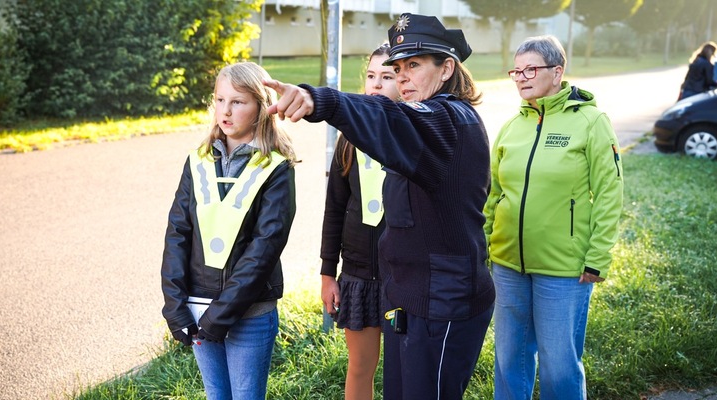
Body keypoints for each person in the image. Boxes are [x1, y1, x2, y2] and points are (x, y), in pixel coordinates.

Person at [265, 13, 495, 400]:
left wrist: (319, 99)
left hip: (442, 304)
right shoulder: (425, 121)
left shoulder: (449, 119)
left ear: (447, 68)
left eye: (414, 65)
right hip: (405, 297)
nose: (401, 76)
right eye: (398, 67)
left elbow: (389, 117)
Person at [483, 35, 624, 400]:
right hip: (508, 265)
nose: (521, 77)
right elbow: (494, 194)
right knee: (509, 359)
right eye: (516, 70)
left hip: (564, 269)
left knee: (559, 363)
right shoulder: (513, 127)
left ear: (557, 71)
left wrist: (597, 256)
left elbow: (610, 194)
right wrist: (484, 244)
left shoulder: (591, 122)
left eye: (531, 69)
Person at [160, 62, 297, 400]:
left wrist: (220, 316)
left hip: (249, 314)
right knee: (216, 395)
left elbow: (264, 249)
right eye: (220, 100)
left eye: (238, 102)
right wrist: (174, 304)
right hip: (198, 307)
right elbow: (177, 233)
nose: (226, 110)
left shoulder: (276, 168)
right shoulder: (197, 161)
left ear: (260, 108)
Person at [320, 43, 399, 400]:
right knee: (360, 367)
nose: (376, 84)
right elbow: (334, 207)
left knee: (403, 374)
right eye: (371, 76)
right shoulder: (349, 137)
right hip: (358, 276)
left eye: (387, 76)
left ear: (405, 81)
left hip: (404, 280)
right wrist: (327, 272)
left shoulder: (417, 133)